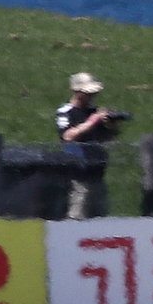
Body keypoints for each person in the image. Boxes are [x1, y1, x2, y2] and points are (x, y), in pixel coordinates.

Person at [53, 71, 123, 219]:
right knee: (78, 215)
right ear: (77, 91)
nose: (92, 96)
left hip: (97, 172)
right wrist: (92, 121)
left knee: (100, 217)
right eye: (88, 93)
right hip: (78, 173)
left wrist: (113, 125)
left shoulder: (93, 111)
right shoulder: (66, 112)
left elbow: (107, 138)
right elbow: (67, 136)